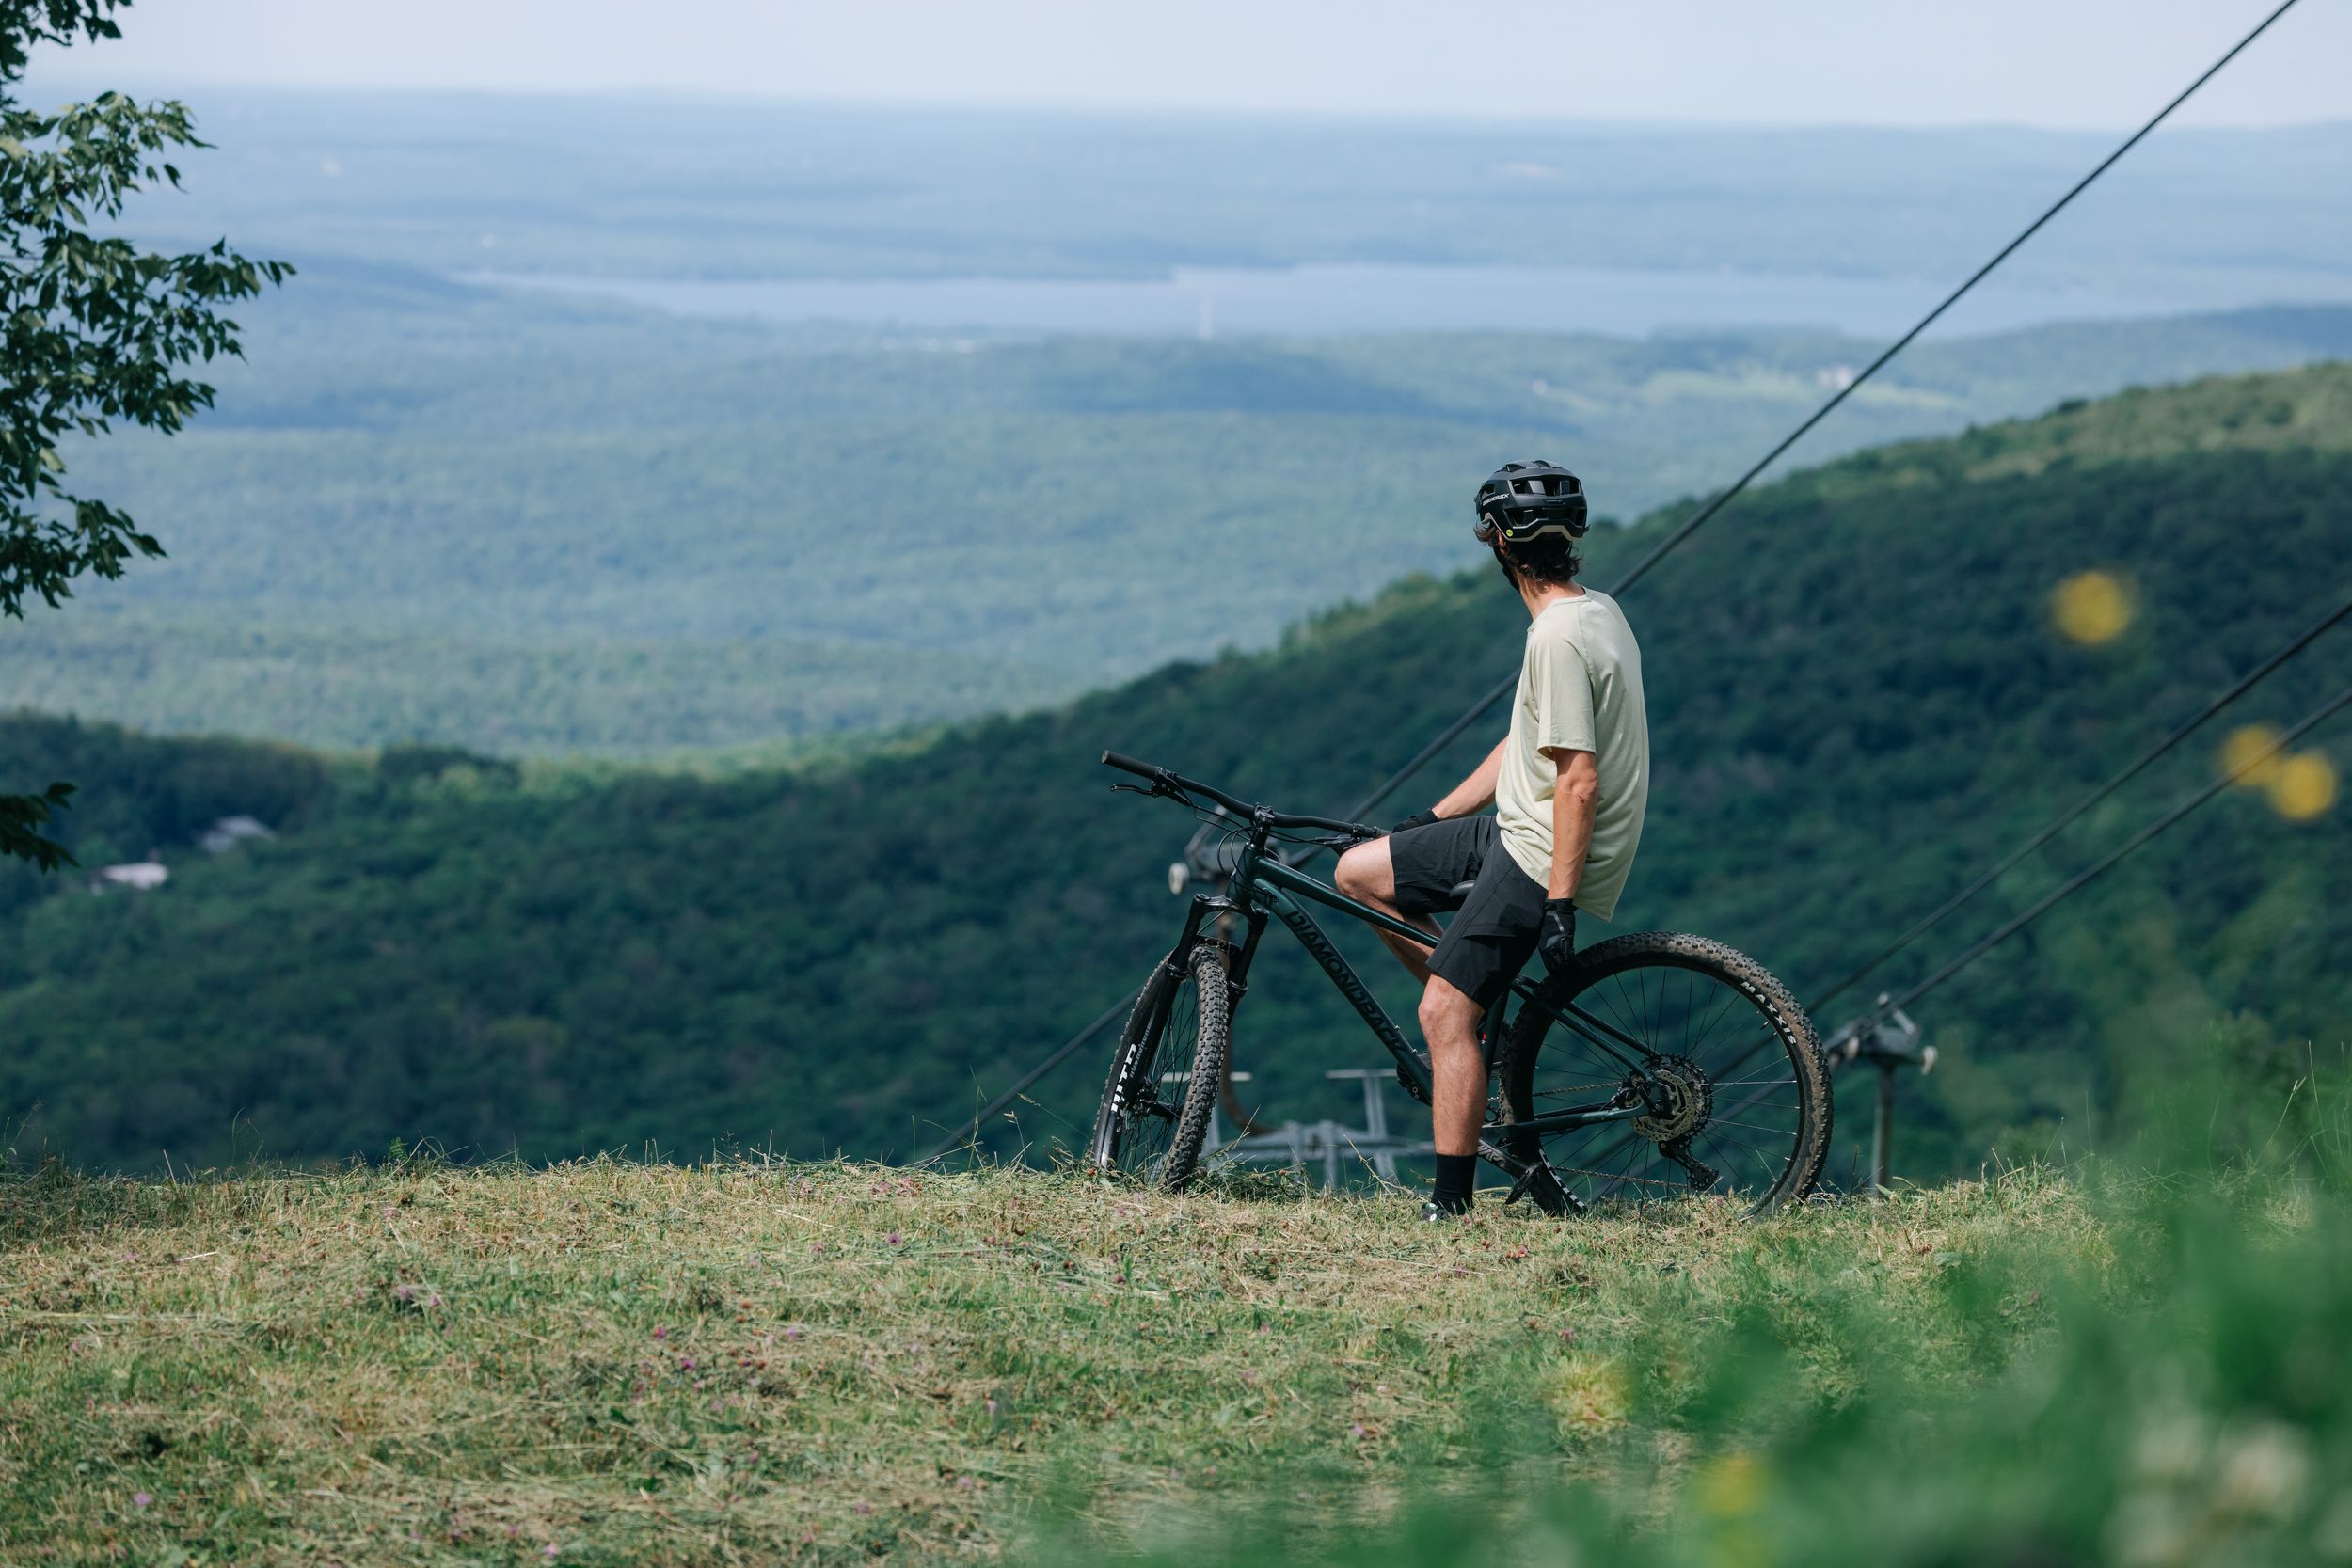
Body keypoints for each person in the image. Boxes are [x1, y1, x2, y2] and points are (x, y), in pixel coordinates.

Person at [1334, 461, 1650, 1220]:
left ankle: (1451, 1204)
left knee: (1442, 1014)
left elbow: (1577, 782)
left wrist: (1560, 904)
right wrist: (1435, 818)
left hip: (1545, 850)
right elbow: (1527, 746)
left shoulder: (1556, 639)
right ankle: (1472, 1007)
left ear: (1501, 548)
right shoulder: (1592, 611)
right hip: (1520, 821)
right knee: (1358, 873)